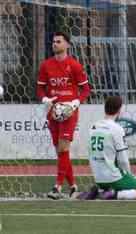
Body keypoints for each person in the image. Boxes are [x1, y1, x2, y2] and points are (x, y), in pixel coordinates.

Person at [36, 31, 90, 199]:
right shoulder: (46, 65)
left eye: (58, 41)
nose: (54, 44)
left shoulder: (74, 65)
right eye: (53, 41)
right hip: (53, 112)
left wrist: (75, 102)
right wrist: (45, 98)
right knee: (61, 152)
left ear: (67, 44)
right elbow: (39, 88)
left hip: (69, 112)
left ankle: (57, 187)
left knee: (64, 147)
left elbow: (86, 89)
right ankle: (73, 186)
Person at [87, 96, 136, 200]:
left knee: (121, 186)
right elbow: (123, 160)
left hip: (98, 177)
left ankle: (101, 191)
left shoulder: (93, 126)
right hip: (114, 177)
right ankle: (115, 194)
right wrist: (129, 176)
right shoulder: (117, 129)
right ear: (119, 110)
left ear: (105, 108)